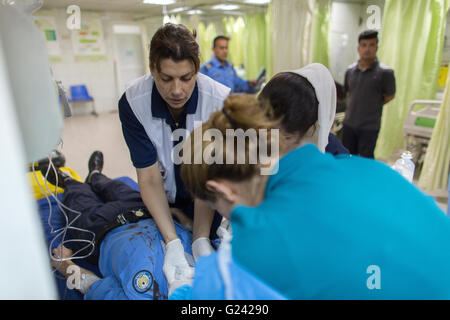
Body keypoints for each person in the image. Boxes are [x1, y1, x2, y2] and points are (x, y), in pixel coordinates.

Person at [175, 93, 450, 299]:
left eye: (216, 206)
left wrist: (188, 290)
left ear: (224, 191)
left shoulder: (242, 261)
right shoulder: (369, 169)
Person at [118, 23, 230, 288]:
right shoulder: (134, 102)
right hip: (160, 198)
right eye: (166, 79)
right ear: (153, 69)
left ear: (198, 70)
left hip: (205, 200)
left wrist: (200, 238)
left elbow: (208, 175)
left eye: (187, 78)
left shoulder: (219, 101)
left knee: (209, 249)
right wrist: (172, 242)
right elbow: (148, 177)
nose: (177, 90)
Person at [48, 151, 199, 299]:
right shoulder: (214, 273)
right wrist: (183, 219)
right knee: (114, 186)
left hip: (100, 231)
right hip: (147, 212)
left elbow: (92, 286)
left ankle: (67, 181)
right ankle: (95, 175)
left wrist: (64, 265)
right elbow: (203, 239)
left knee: (78, 196)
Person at [258, 63, 349, 155]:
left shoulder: (334, 153)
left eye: (286, 137)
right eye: (268, 130)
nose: (275, 142)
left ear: (310, 126)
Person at [342, 29, 396, 158]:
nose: (367, 49)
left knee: (365, 161)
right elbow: (348, 92)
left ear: (377, 47)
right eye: (364, 45)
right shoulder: (350, 71)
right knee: (346, 158)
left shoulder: (385, 72)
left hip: (369, 126)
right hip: (349, 123)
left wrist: (373, 103)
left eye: (371, 45)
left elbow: (390, 96)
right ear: (358, 48)